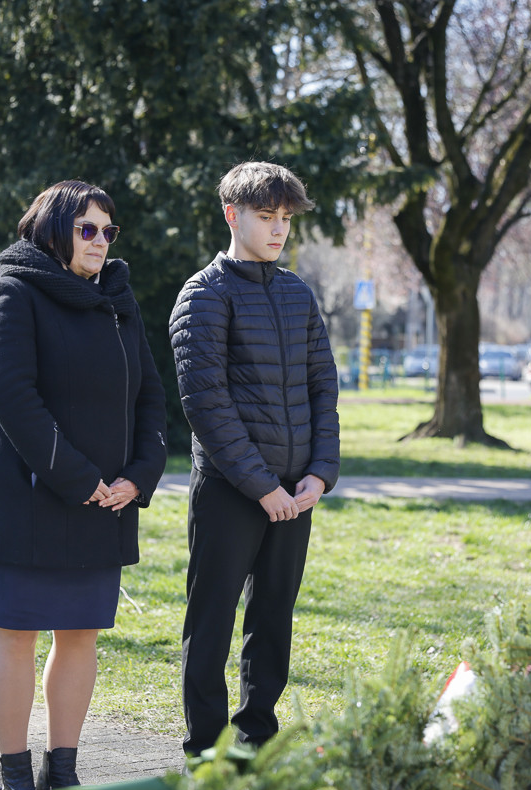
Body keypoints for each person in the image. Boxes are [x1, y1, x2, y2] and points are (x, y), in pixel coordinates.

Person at [0, 180, 166, 790]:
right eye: (87, 229)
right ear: (55, 230)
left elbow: (150, 395)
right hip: (30, 496)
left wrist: (139, 475)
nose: (100, 241)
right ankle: (14, 774)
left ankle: (63, 770)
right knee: (17, 632)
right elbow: (12, 397)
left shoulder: (117, 299)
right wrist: (81, 479)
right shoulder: (13, 292)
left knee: (80, 633)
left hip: (108, 500)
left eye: (108, 230)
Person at [169, 161, 340, 756]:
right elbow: (206, 405)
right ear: (232, 215)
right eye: (266, 216)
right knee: (211, 622)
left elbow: (323, 387)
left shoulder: (297, 293)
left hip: (297, 491)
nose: (278, 229)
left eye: (285, 218)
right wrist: (263, 487)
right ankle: (206, 752)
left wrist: (319, 474)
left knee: (272, 619)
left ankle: (256, 743)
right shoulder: (203, 295)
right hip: (230, 490)